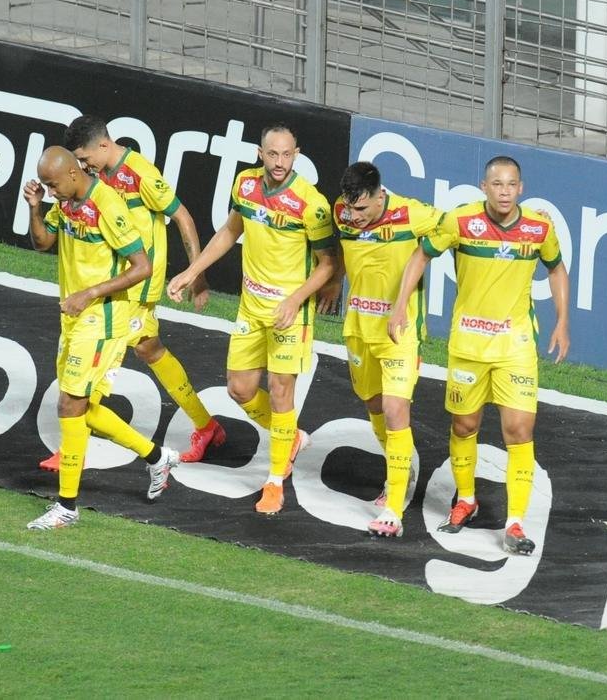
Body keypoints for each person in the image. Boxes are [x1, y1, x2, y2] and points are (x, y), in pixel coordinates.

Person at [389, 155, 569, 556]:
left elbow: (556, 269)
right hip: (468, 346)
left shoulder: (539, 227)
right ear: (484, 187)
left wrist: (561, 322)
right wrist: (401, 305)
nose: (504, 191)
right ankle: (466, 500)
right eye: (497, 184)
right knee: (465, 426)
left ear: (521, 188)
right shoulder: (459, 222)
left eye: (511, 184)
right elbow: (421, 255)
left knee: (519, 430)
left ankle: (516, 522)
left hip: (515, 347)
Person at [166, 124, 336, 516]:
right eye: (272, 154)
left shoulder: (311, 203)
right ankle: (288, 436)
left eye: (287, 155)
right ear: (261, 153)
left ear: (297, 154)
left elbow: (329, 263)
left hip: (289, 313)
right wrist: (192, 272)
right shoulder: (245, 185)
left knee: (280, 392)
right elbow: (230, 231)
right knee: (239, 390)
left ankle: (275, 480)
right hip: (251, 307)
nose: (279, 162)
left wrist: (296, 300)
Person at [53, 115, 225, 468]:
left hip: (136, 287)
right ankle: (206, 425)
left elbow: (183, 217)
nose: (83, 166)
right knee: (150, 349)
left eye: (85, 158)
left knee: (101, 359)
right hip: (121, 282)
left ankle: (74, 444)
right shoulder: (97, 176)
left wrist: (198, 276)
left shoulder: (141, 174)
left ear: (103, 145)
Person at [22, 145, 179, 530]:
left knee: (69, 405)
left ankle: (67, 506)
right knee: (81, 409)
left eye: (53, 184)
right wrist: (35, 207)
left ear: (74, 174)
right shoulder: (65, 203)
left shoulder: (107, 205)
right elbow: (43, 243)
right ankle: (158, 457)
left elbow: (141, 266)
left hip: (103, 318)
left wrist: (90, 293)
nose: (51, 190)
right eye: (46, 185)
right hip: (75, 318)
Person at [318, 162, 442, 538]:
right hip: (359, 327)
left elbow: (462, 227)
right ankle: (399, 464)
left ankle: (393, 507)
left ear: (379, 195)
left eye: (362, 210)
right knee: (373, 403)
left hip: (399, 331)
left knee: (394, 408)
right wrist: (336, 281)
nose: (353, 217)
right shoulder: (341, 212)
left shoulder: (412, 214)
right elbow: (337, 250)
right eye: (350, 209)